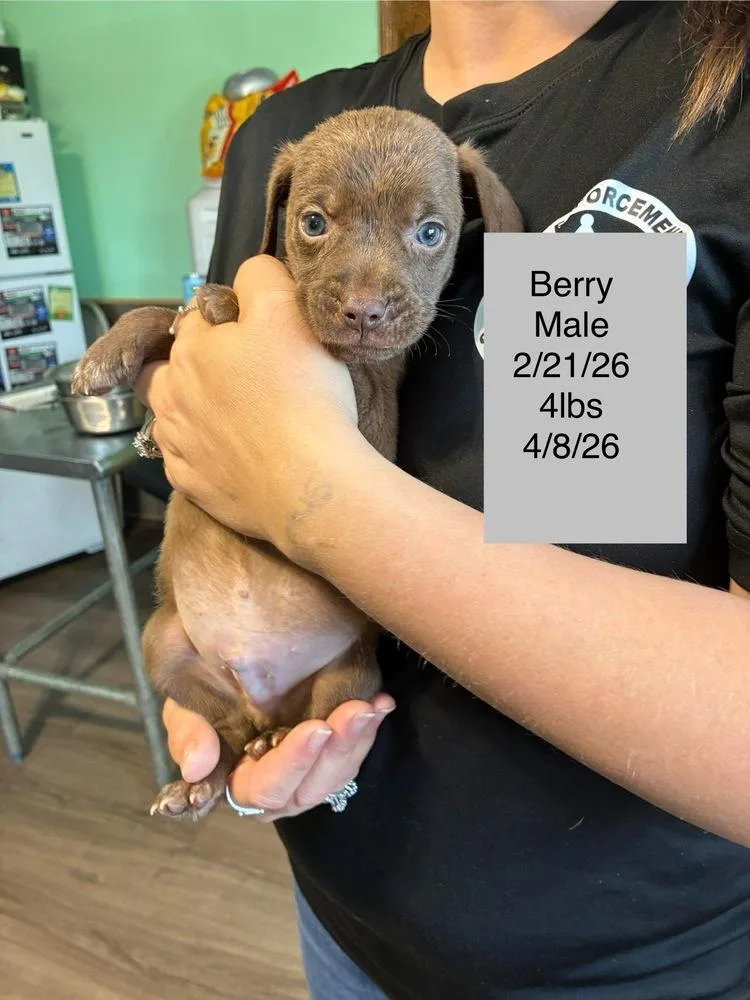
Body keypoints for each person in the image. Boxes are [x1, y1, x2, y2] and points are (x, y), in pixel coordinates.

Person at [138, 2, 750, 996]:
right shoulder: (284, 144)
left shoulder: (718, 111)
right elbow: (217, 461)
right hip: (345, 918)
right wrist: (240, 676)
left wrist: (314, 494)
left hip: (640, 968)